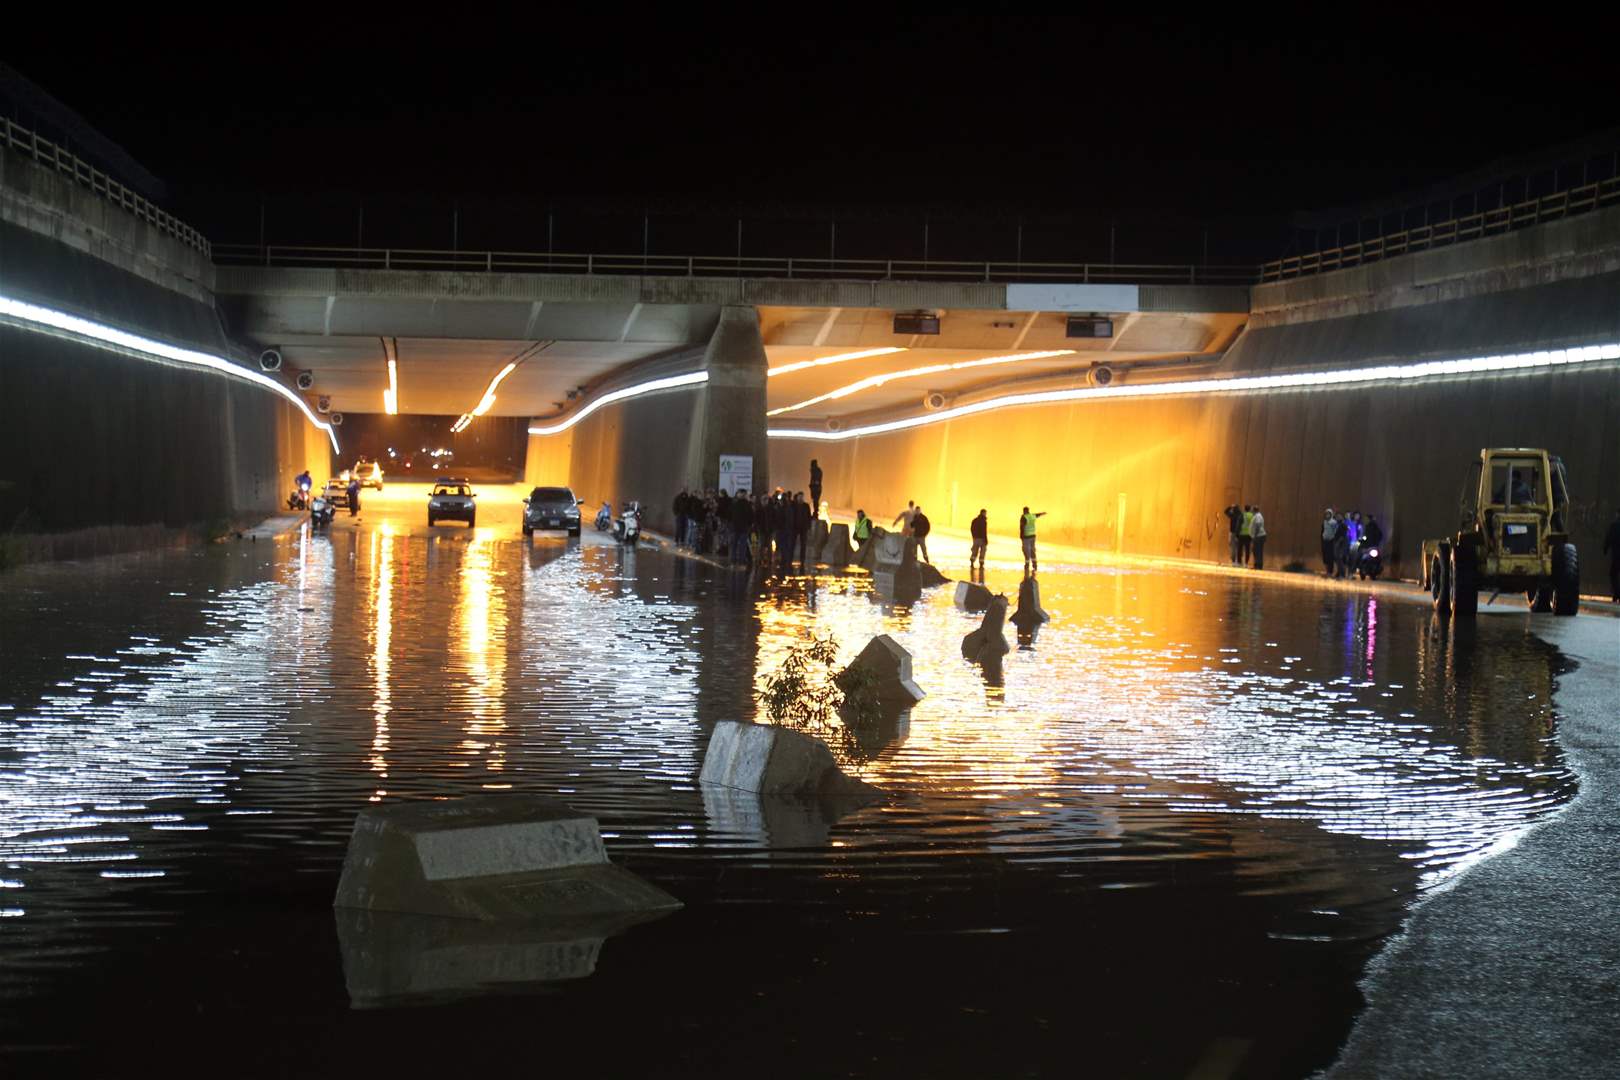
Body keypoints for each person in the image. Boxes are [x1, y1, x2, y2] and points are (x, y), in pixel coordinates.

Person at [1019, 506, 1045, 574]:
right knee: (1032, 550)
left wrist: (1021, 537)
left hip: (1026, 537)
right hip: (1033, 536)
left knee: (1026, 550)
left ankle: (1027, 565)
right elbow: (1037, 515)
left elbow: (1022, 527)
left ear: (1024, 511)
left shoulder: (1024, 517)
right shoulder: (1032, 516)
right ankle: (1035, 565)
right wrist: (1042, 513)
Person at [793, 492, 812, 570]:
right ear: (797, 497)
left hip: (803, 528)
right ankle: (791, 558)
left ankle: (802, 559)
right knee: (793, 543)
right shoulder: (794, 506)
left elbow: (808, 517)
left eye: (802, 497)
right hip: (795, 527)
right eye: (799, 497)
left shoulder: (806, 506)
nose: (801, 498)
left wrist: (808, 527)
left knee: (803, 544)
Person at [1604, 509, 1620, 603]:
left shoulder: (1614, 525)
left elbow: (1609, 537)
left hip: (1616, 554)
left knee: (1613, 574)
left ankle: (1617, 594)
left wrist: (1605, 549)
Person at [1320, 509, 1339, 576]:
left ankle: (1330, 572)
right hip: (1325, 541)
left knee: (1330, 557)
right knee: (1325, 557)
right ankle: (1327, 571)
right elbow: (1323, 531)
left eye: (1328, 514)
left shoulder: (1333, 522)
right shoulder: (1324, 522)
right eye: (1326, 514)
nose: (1327, 515)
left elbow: (1335, 531)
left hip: (1331, 541)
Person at [970, 509, 989, 574]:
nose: (985, 514)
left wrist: (974, 536)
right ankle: (981, 564)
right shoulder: (984, 521)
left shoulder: (975, 520)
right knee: (982, 552)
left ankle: (972, 562)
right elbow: (984, 532)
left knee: (974, 551)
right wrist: (986, 540)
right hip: (982, 539)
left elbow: (972, 529)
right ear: (983, 513)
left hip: (976, 539)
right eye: (985, 513)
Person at [1250, 505, 1267, 570]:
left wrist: (1255, 536)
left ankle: (1258, 565)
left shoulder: (1258, 516)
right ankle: (1257, 565)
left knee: (1257, 551)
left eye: (1252, 510)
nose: (1251, 511)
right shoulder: (1257, 516)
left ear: (1254, 510)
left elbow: (1257, 525)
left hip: (1259, 536)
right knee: (1256, 551)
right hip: (1259, 536)